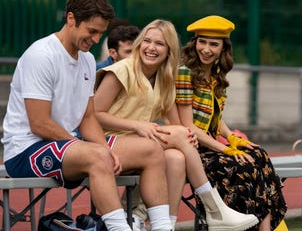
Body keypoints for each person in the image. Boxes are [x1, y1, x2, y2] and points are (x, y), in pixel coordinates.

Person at [1, 0, 173, 231]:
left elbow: (88, 117)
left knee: (151, 150)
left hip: (68, 145)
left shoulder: (87, 59)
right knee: (97, 155)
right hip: (26, 150)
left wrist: (104, 149)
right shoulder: (41, 55)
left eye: (100, 33)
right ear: (71, 18)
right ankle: (120, 229)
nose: (95, 40)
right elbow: (39, 123)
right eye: (91, 31)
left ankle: (163, 228)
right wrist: (95, 150)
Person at [94, 19, 259, 231]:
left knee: (176, 157)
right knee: (180, 136)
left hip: (139, 146)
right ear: (139, 44)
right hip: (105, 143)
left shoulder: (164, 78)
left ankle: (165, 226)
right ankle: (215, 209)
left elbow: (176, 124)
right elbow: (94, 114)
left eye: (159, 44)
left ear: (169, 49)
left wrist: (187, 138)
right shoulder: (122, 70)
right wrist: (137, 126)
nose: (151, 48)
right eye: (147, 41)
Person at [169, 15, 288, 231]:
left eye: (213, 44)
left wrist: (231, 136)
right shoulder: (185, 72)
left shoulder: (216, 74)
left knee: (259, 155)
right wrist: (226, 149)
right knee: (239, 166)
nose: (206, 49)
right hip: (193, 149)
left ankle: (266, 227)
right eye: (201, 42)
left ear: (223, 48)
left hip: (209, 144)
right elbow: (190, 127)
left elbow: (215, 118)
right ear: (194, 42)